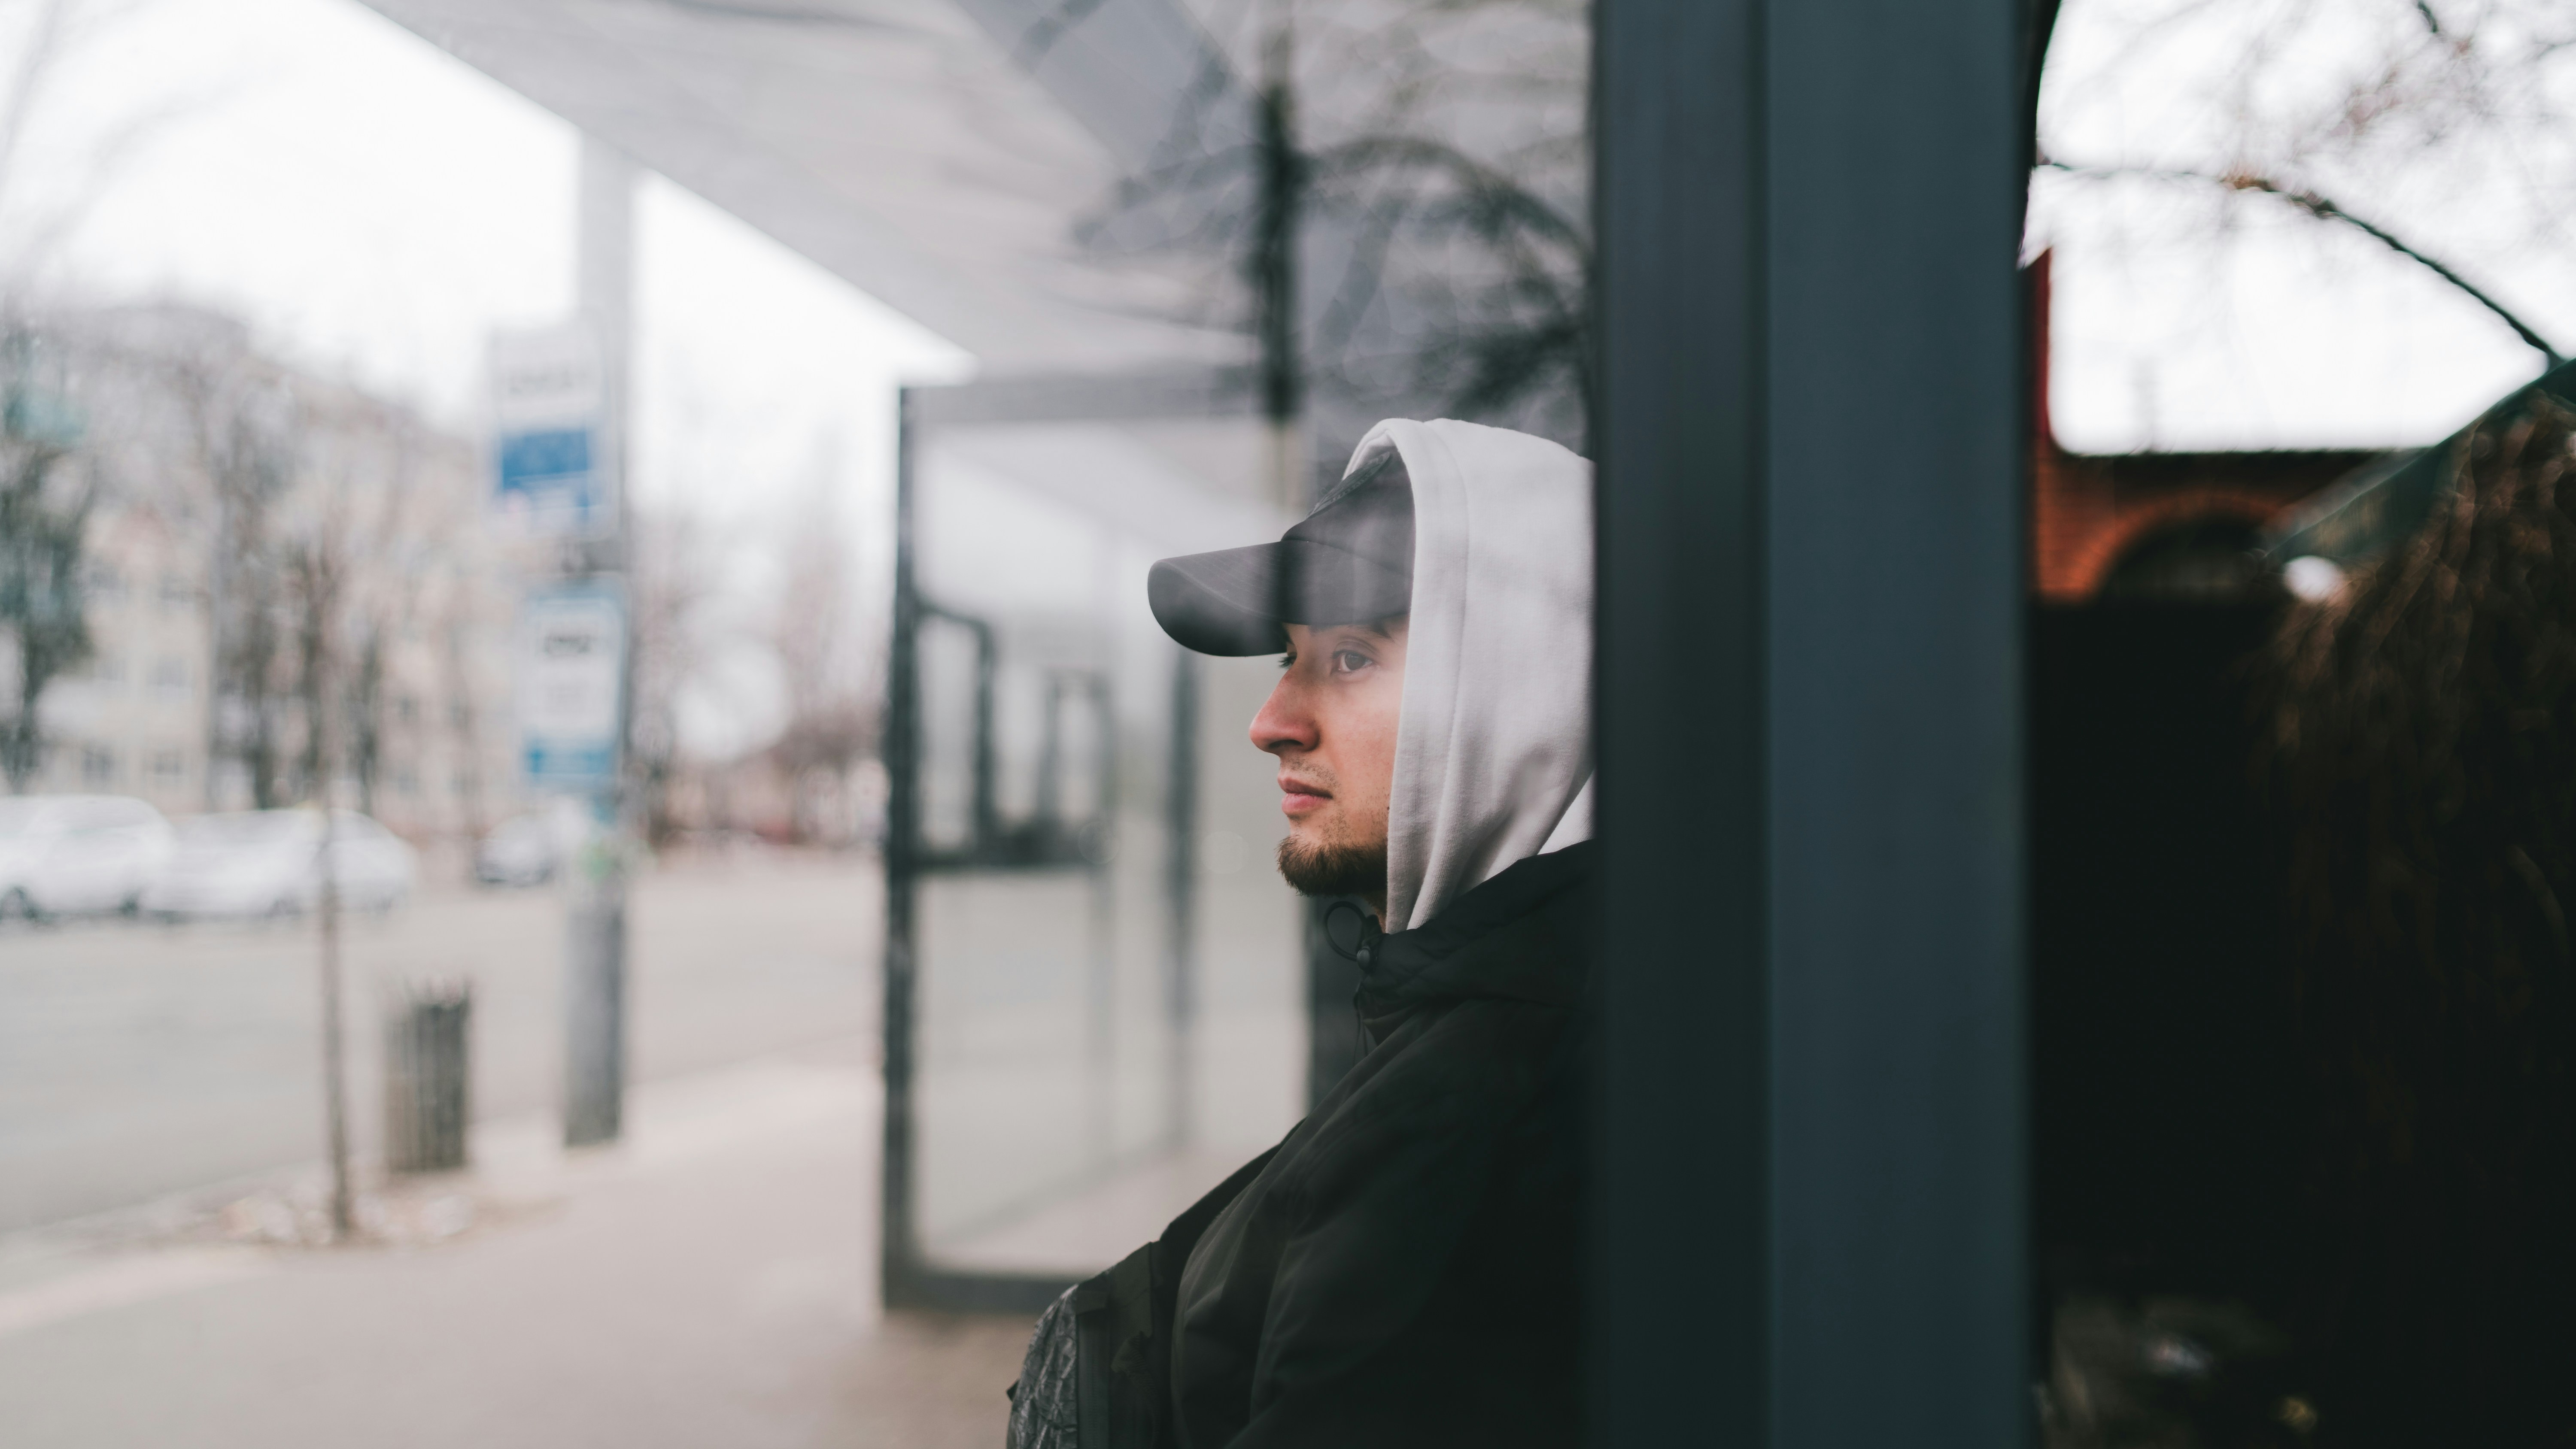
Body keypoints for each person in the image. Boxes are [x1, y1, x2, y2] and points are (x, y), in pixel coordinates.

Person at [1008, 418, 1595, 1449]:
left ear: (1524, 683)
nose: (1272, 717)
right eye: (1292, 659)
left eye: (1354, 656)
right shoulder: (1496, 1022)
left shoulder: (1484, 1116)